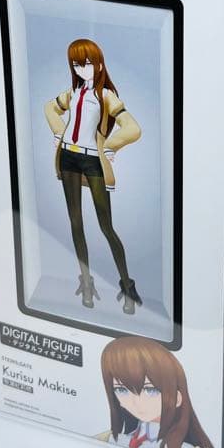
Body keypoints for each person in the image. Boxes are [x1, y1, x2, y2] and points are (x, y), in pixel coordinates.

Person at [44, 38, 143, 313]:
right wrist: (58, 131)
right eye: (76, 64)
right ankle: (86, 282)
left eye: (86, 63)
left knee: (105, 226)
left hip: (91, 161)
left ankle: (127, 286)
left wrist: (111, 146)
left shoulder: (106, 96)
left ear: (98, 64)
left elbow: (132, 128)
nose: (81, 69)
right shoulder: (72, 93)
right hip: (68, 157)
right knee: (75, 222)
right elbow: (49, 107)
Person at [95, 336, 221, 448]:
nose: (136, 401)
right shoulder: (114, 439)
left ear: (177, 398)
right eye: (122, 390)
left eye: (150, 390)